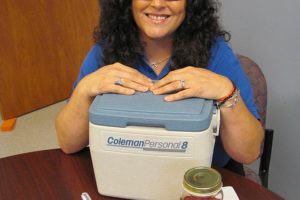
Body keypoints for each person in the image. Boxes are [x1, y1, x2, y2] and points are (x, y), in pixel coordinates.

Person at [55, 0, 264, 175]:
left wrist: (226, 91)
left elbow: (248, 152)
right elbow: (68, 143)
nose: (157, 4)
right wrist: (83, 90)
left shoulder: (217, 53)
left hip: (201, 180)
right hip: (124, 174)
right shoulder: (104, 51)